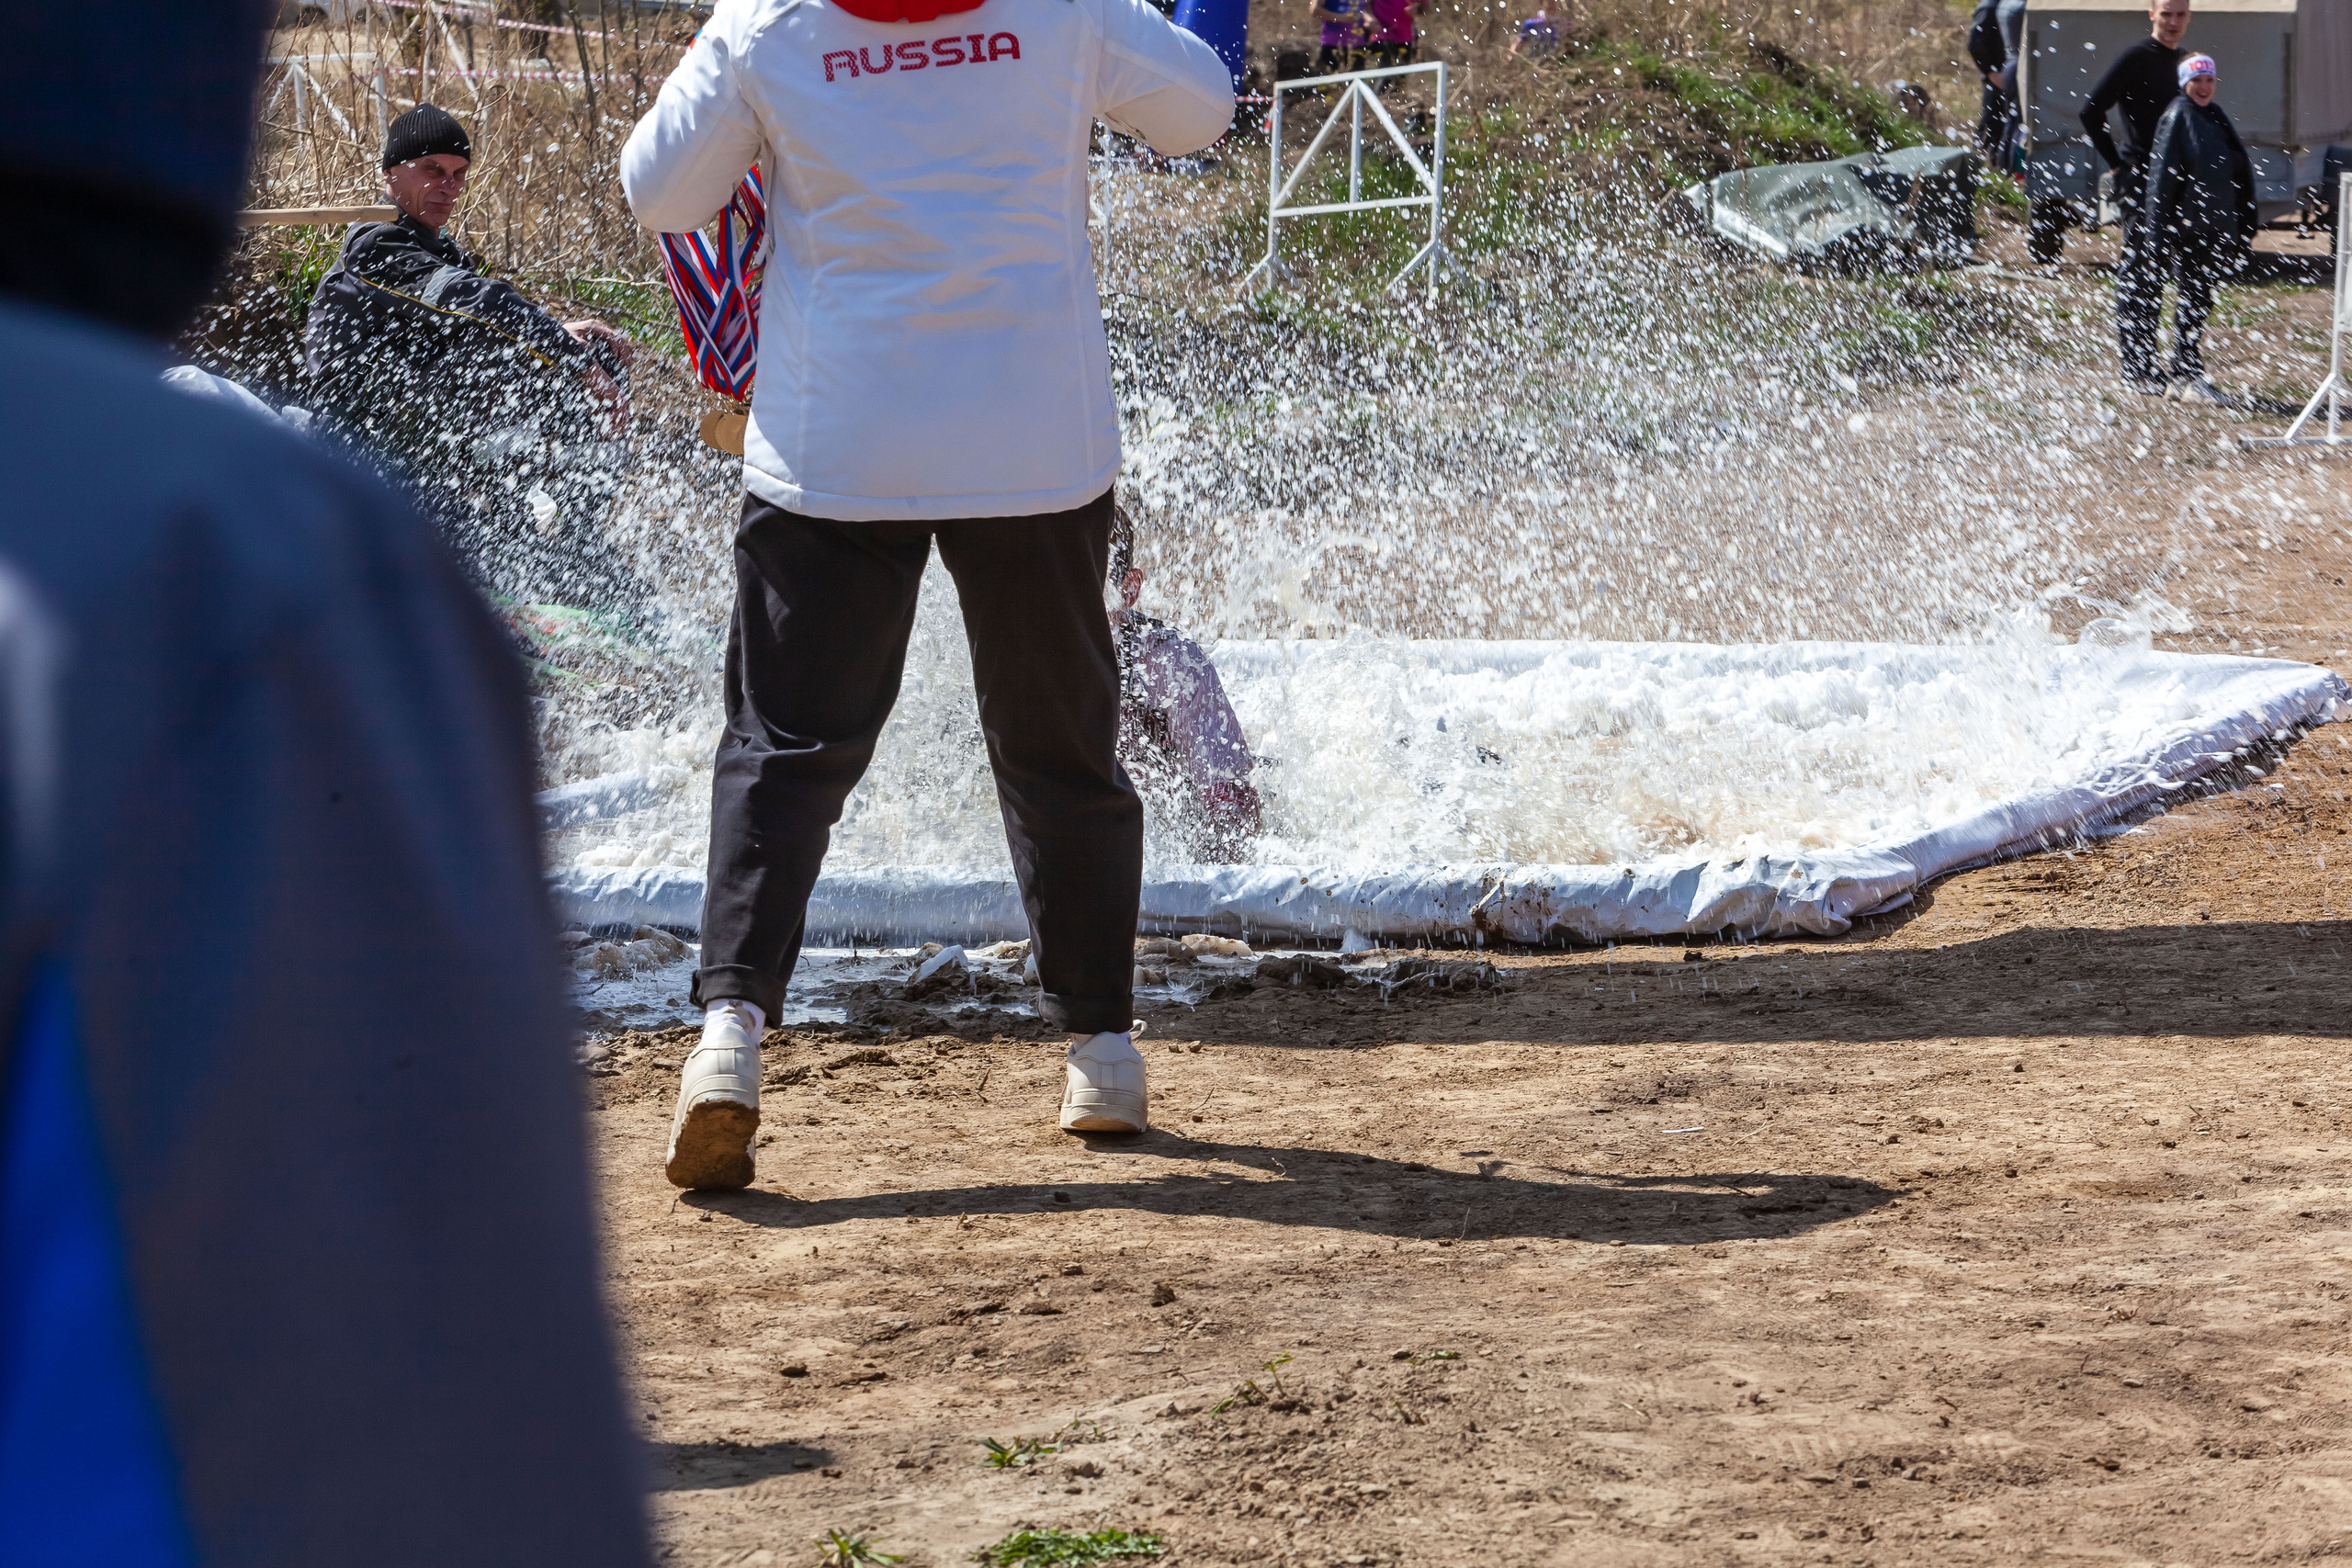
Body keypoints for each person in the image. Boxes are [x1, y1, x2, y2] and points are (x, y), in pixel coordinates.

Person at [0, 5, 651, 1565]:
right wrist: (550, 334)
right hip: (360, 519)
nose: (436, 183)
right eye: (422, 163)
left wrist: (565, 339)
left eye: (451, 166)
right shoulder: (267, 458)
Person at [620, 0, 1233, 1188]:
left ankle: (728, 1041)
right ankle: (1101, 1046)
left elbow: (663, 193)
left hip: (837, 442)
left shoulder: (770, 18)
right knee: (1060, 742)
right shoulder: (1062, 10)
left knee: (782, 746)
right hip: (1033, 436)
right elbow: (1202, 109)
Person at [304, 104, 644, 609]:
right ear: (391, 173)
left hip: (431, 424)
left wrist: (568, 338)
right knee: (473, 561)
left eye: (458, 175)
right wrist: (576, 364)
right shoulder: (374, 247)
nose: (449, 187)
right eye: (433, 172)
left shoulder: (438, 248)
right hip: (365, 445)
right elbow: (477, 301)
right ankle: (518, 559)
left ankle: (577, 540)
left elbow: (484, 315)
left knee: (592, 352)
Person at [1110, 505, 1264, 863]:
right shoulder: (1031, 659)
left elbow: (1235, 806)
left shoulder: (1171, 665)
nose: (1074, 610)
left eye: (1092, 587)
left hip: (1185, 823)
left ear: (1129, 591)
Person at [2082, 0, 2193, 389]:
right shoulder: (2135, 57)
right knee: (2140, 273)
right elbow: (2090, 111)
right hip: (2141, 179)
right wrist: (2115, 164)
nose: (2173, 22)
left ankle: (2177, 363)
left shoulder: (2185, 63)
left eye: (2180, 14)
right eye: (2166, 14)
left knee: (2170, 272)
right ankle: (2136, 366)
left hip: (2177, 183)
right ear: (2152, 14)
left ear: (2189, 16)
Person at [2141, 53, 2256, 398]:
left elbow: (2235, 168)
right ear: (2183, 83)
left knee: (2199, 300)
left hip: (2214, 226)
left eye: (2209, 80)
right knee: (2193, 299)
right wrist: (2156, 235)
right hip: (2189, 228)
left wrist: (2243, 222)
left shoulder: (2213, 115)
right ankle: (2187, 374)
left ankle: (2182, 374)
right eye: (2197, 80)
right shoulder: (2178, 116)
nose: (2204, 87)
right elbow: (2160, 179)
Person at [1967, 0, 2025, 168]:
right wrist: (1992, 73)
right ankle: (1989, 178)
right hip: (1999, 80)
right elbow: (1975, 44)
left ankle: (2006, 175)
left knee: (2013, 129)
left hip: (2012, 78)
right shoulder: (1990, 6)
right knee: (1994, 131)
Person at [1364, 0, 1426, 70]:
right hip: (1380, 37)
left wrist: (1417, 10)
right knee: (1383, 73)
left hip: (1404, 38)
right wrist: (1369, 18)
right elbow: (1365, 5)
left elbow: (1426, 9)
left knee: (1401, 75)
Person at [1314, 0, 1368, 75]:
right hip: (1333, 44)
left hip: (1357, 42)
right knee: (1333, 82)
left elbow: (1366, 8)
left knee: (1357, 80)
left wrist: (1370, 20)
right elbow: (1315, 10)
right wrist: (1341, 17)